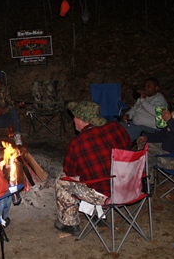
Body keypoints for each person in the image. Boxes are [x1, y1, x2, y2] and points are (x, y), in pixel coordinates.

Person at [54, 101, 132, 236]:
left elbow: (70, 172)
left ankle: (69, 223)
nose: (73, 120)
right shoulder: (117, 128)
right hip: (128, 186)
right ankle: (97, 214)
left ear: (82, 120)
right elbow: (128, 148)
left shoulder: (78, 143)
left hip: (105, 195)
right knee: (99, 174)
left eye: (75, 117)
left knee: (62, 180)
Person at [120, 77, 168, 142]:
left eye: (149, 86)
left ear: (157, 88)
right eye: (145, 86)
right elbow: (134, 109)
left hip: (149, 128)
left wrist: (143, 100)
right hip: (135, 123)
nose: (146, 88)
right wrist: (128, 115)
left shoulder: (160, 99)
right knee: (117, 127)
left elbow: (156, 112)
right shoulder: (143, 97)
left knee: (125, 136)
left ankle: (122, 146)